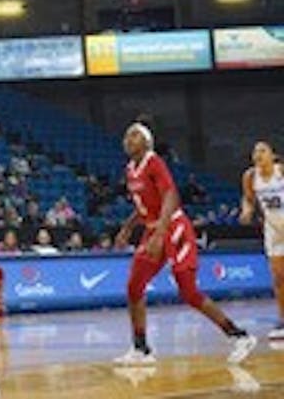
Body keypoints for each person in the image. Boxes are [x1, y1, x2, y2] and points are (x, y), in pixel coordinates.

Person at [113, 122, 256, 365]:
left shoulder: (154, 161)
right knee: (134, 286)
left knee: (188, 293)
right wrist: (127, 228)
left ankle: (239, 336)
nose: (129, 138)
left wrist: (160, 232)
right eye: (127, 135)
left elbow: (171, 195)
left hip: (175, 228)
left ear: (147, 142)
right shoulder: (130, 169)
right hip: (153, 230)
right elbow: (143, 206)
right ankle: (141, 348)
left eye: (135, 135)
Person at [240, 141, 284, 340]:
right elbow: (249, 199)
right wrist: (247, 210)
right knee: (278, 278)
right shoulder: (250, 177)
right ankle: (283, 320)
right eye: (255, 151)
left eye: (263, 150)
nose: (258, 154)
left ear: (272, 155)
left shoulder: (280, 172)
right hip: (274, 230)